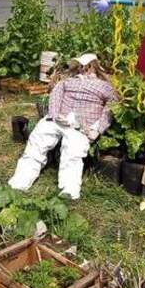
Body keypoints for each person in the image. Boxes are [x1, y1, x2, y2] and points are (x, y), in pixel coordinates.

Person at [8, 54, 118, 199]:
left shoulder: (104, 86)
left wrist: (97, 128)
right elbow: (55, 96)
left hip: (82, 125)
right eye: (80, 65)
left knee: (73, 151)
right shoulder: (68, 81)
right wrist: (54, 114)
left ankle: (69, 190)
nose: (83, 68)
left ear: (93, 66)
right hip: (59, 118)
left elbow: (112, 105)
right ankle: (20, 181)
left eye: (86, 66)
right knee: (38, 139)